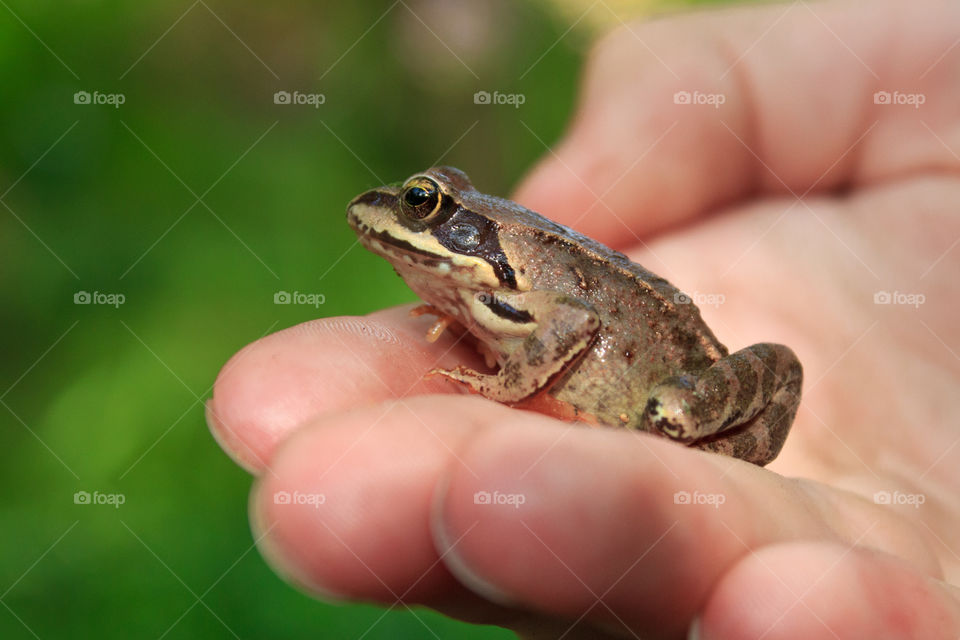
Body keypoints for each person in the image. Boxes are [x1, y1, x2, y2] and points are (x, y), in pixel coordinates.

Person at [207, 0, 960, 637]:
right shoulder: (483, 293)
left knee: (668, 413)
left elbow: (567, 328)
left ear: (465, 228)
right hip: (651, 352)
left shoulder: (513, 294)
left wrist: (503, 388)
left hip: (670, 387)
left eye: (423, 206)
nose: (397, 214)